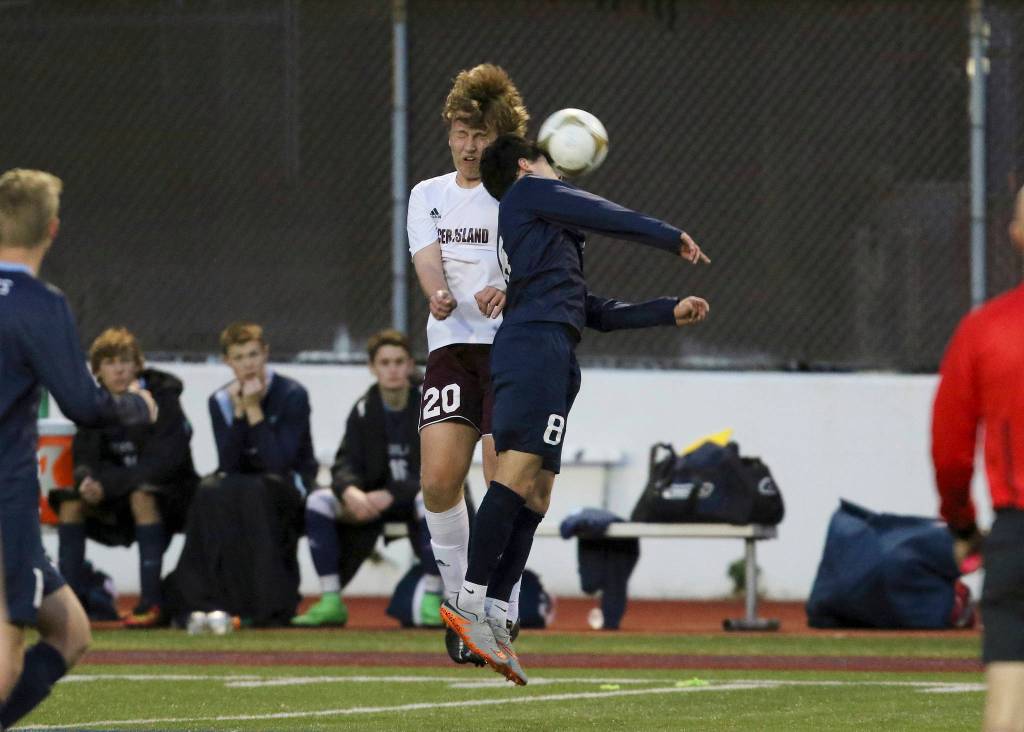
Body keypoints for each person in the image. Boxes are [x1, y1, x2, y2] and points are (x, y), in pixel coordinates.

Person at [441, 135, 710, 684]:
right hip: (533, 348)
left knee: (538, 493)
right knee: (515, 475)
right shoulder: (527, 195)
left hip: (556, 352)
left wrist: (667, 311)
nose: (556, 174)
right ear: (524, 166)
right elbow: (601, 211)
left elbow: (591, 310)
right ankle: (468, 604)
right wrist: (669, 237)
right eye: (545, 163)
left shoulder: (547, 235)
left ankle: (493, 609)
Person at [0, 168, 156, 727]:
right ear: (53, 229)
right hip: (5, 499)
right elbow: (84, 405)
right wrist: (138, 405)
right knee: (7, 642)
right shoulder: (41, 304)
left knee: (70, 630)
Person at [407, 63, 537, 664]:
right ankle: (461, 601)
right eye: (460, 132)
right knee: (438, 482)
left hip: (510, 350)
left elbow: (542, 269)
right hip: (452, 351)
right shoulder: (427, 195)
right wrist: (436, 293)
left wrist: (510, 291)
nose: (467, 145)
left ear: (500, 139)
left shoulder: (521, 195)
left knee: (500, 480)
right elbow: (429, 262)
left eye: (480, 135)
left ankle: (495, 607)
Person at [931, 185, 1024, 732]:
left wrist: (962, 523)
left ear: (1015, 235)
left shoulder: (985, 329)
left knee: (1008, 704)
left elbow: (950, 453)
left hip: (1018, 535)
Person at [164, 322, 315, 626]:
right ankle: (203, 598)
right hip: (241, 480)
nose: (248, 364)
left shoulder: (292, 394)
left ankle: (267, 604)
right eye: (240, 357)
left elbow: (278, 462)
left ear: (265, 354)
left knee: (256, 491)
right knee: (208, 489)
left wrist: (254, 409)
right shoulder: (220, 400)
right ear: (227, 362)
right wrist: (237, 413)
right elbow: (228, 463)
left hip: (287, 483)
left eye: (253, 355)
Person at [48, 327, 198, 627]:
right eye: (109, 362)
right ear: (98, 371)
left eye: (125, 361)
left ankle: (149, 603)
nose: (118, 369)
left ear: (137, 365)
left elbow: (165, 461)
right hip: (114, 496)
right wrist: (86, 481)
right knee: (70, 503)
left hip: (171, 498)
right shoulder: (93, 405)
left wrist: (108, 484)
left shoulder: (162, 398)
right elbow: (85, 456)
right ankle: (71, 608)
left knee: (142, 495)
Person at [292, 330, 442, 626]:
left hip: (415, 497)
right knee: (319, 502)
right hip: (371, 502)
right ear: (373, 368)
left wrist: (393, 493)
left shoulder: (431, 404)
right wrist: (350, 491)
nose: (393, 369)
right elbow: (344, 463)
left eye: (399, 361)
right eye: (385, 362)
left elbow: (440, 468)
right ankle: (331, 600)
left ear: (411, 365)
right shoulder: (364, 409)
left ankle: (432, 599)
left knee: (432, 499)